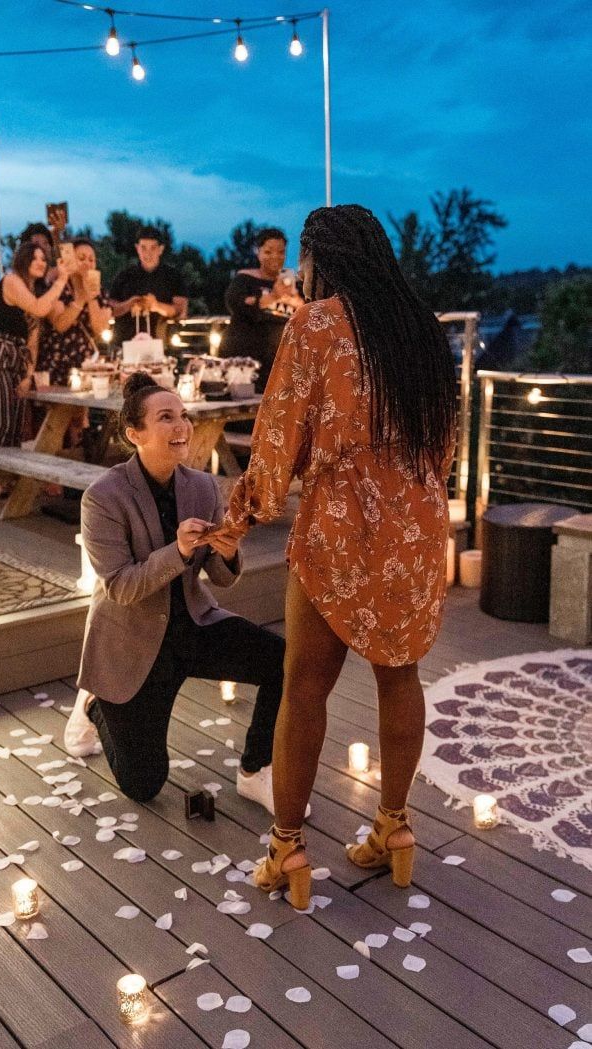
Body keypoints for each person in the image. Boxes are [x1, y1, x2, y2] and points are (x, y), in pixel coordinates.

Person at [218, 205, 457, 909]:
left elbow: (276, 442)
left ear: (324, 258)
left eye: (303, 258)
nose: (298, 272)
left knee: (304, 687)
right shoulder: (421, 331)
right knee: (400, 677)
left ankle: (287, 847)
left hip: (342, 533)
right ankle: (395, 827)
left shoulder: (316, 325)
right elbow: (444, 444)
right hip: (415, 530)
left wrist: (239, 515)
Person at [64, 372, 289, 814]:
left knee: (285, 661)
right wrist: (179, 548)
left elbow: (221, 580)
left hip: (193, 624)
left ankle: (255, 769)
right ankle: (94, 704)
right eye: (166, 418)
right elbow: (122, 587)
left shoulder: (203, 486)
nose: (182, 426)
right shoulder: (102, 498)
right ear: (135, 434)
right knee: (144, 785)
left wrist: (226, 552)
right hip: (131, 643)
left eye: (183, 416)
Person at [0, 242, 73, 500]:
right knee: (3, 415)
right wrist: (61, 280)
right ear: (23, 260)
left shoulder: (34, 290)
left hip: (18, 355)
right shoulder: (11, 281)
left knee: (17, 420)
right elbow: (39, 308)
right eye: (35, 258)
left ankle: (5, 477)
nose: (41, 262)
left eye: (44, 259)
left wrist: (28, 375)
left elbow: (33, 339)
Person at [219, 227, 303, 392]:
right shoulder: (245, 279)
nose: (275, 257)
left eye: (281, 252)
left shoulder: (295, 285)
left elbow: (309, 313)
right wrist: (272, 296)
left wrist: (295, 300)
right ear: (258, 252)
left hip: (280, 362)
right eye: (268, 252)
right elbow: (235, 304)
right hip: (246, 360)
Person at [38, 238, 111, 386]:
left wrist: (90, 298)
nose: (87, 263)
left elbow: (100, 329)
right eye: (81, 258)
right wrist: (79, 300)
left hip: (86, 364)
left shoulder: (100, 292)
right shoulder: (58, 287)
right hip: (58, 362)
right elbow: (60, 325)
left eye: (92, 259)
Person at [109, 227, 188, 346]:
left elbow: (180, 310)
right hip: (125, 345)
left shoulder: (173, 277)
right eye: (143, 248)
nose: (148, 253)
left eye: (153, 248)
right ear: (137, 248)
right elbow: (109, 308)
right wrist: (129, 304)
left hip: (163, 346)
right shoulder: (124, 276)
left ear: (161, 249)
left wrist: (156, 306)